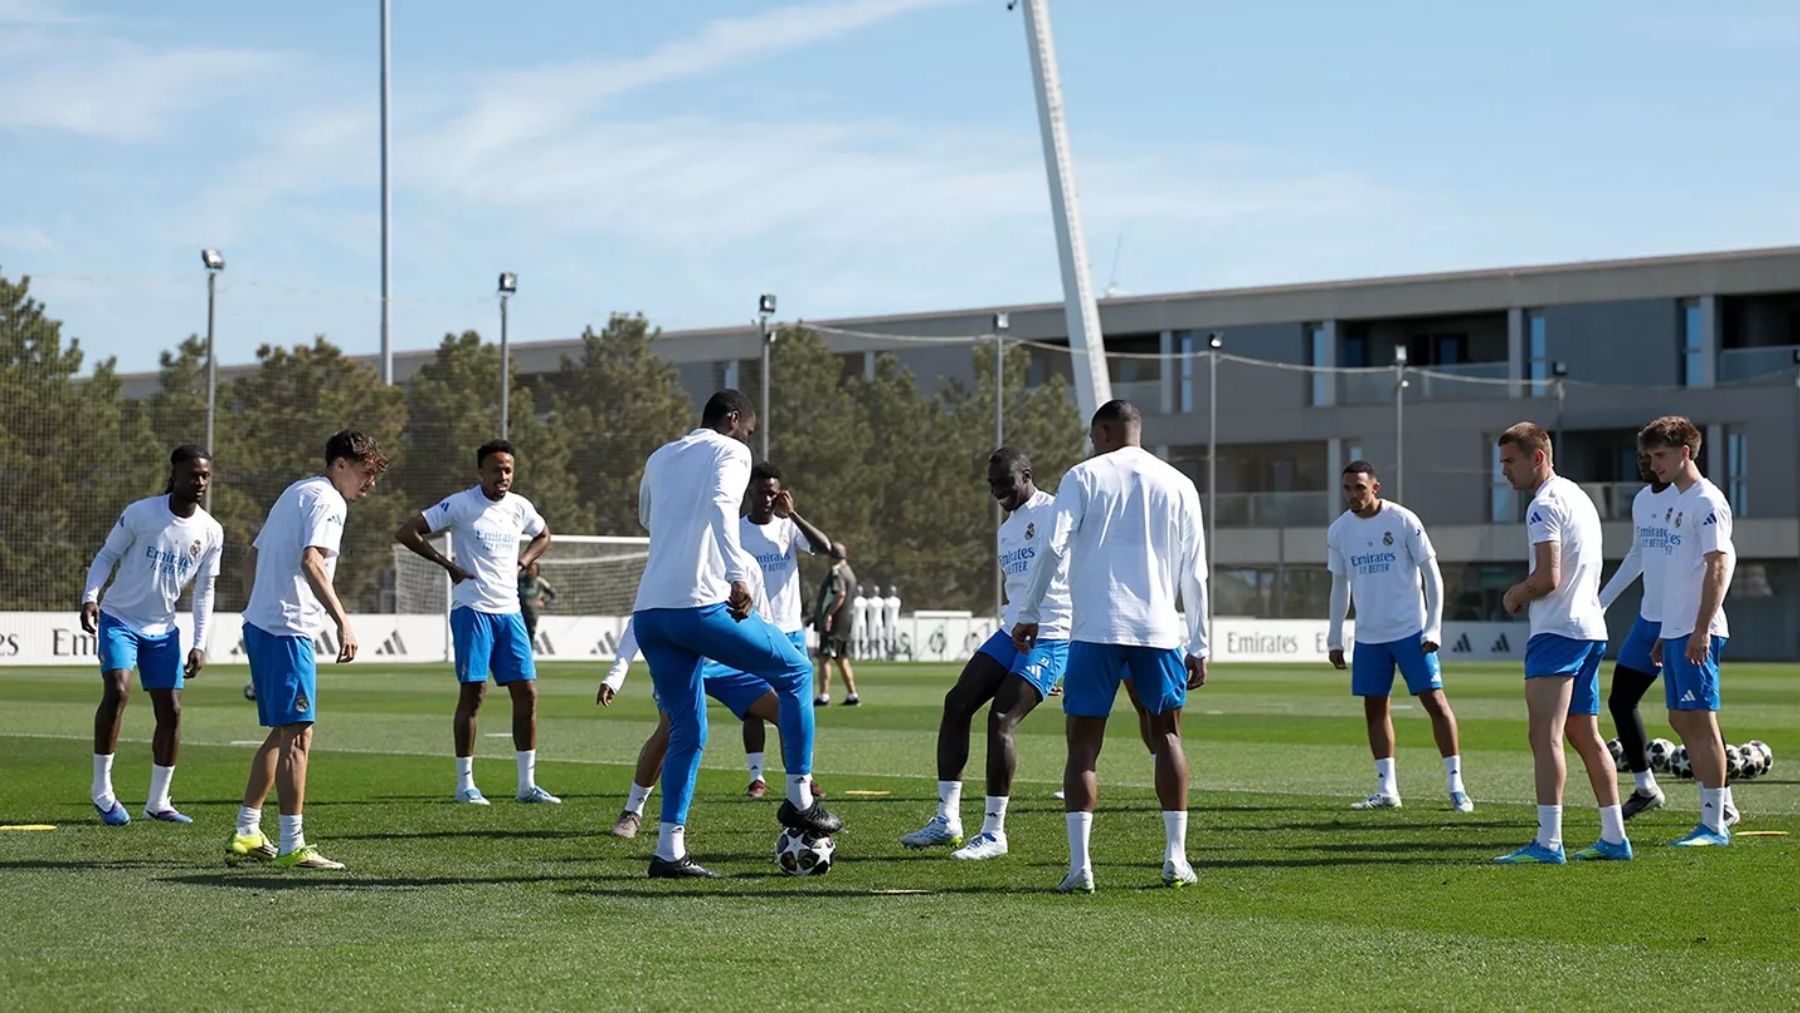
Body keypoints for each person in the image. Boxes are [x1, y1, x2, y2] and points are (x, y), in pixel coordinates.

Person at [629, 390, 840, 879]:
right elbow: (725, 507)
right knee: (797, 670)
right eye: (749, 426)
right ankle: (800, 798)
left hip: (650, 612)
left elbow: (646, 517)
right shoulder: (730, 450)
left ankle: (668, 851)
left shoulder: (661, 455)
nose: (751, 435)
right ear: (733, 419)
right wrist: (735, 575)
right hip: (697, 605)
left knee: (688, 731)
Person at [1012, 400, 1209, 893]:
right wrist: (1200, 643)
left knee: (1083, 745)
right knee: (1166, 738)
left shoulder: (1082, 476)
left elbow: (1053, 548)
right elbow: (1196, 572)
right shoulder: (1179, 483)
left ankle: (1080, 868)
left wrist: (1030, 611)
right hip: (1159, 632)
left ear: (1102, 432)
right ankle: (1176, 859)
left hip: (1095, 630)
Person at [900, 447, 1071, 860]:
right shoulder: (1006, 531)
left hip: (1053, 635)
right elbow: (1017, 589)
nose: (997, 492)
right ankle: (947, 820)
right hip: (1010, 632)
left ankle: (994, 833)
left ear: (1027, 475)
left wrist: (1067, 658)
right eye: (991, 485)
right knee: (957, 702)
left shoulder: (1057, 512)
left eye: (1005, 483)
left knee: (1001, 718)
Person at [229, 430, 386, 871]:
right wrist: (343, 621)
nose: (369, 483)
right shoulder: (328, 501)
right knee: (299, 734)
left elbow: (249, 559)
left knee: (283, 732)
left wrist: (257, 609)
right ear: (340, 464)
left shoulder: (296, 491)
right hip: (287, 628)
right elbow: (312, 561)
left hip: (264, 624)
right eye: (365, 472)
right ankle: (292, 843)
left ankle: (245, 830)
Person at [1493, 422, 1630, 864]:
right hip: (1590, 629)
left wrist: (1515, 593)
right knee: (1584, 734)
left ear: (1538, 458)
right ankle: (1614, 836)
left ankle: (1549, 841)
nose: (1505, 473)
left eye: (1510, 462)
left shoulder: (1543, 504)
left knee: (1543, 735)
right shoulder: (1578, 495)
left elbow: (1547, 578)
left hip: (1558, 631)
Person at [396, 438, 559, 806]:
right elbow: (407, 531)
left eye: (508, 469)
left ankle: (526, 785)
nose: (503, 476)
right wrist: (449, 566)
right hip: (472, 611)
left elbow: (544, 534)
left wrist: (522, 561)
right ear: (480, 472)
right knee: (474, 693)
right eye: (496, 469)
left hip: (510, 612)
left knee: (527, 693)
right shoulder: (461, 504)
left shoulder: (520, 507)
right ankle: (465, 784)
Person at [80, 445, 224, 826]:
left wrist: (199, 642)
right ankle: (102, 791)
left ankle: (158, 802)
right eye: (193, 474)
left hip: (163, 631)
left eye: (206, 476)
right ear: (174, 474)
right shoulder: (142, 512)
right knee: (119, 690)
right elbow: (106, 556)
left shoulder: (211, 531)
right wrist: (90, 597)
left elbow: (206, 590)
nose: (200, 482)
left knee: (172, 712)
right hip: (120, 618)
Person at [1325, 460, 1472, 812]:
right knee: (1374, 708)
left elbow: (1433, 576)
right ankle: (1387, 790)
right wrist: (1334, 637)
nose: (1353, 495)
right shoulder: (1339, 531)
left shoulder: (1403, 520)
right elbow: (1338, 586)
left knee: (1435, 703)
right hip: (1369, 637)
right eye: (1347, 488)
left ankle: (1456, 786)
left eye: (1359, 488)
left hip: (1411, 632)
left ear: (1375, 487)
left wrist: (1433, 627)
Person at [599, 612, 824, 839]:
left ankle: (801, 804)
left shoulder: (742, 575)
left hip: (730, 665)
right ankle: (633, 809)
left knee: (785, 714)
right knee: (670, 730)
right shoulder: (671, 579)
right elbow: (640, 618)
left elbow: (758, 608)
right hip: (681, 661)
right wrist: (615, 676)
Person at [1641, 416, 1739, 847]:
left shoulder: (1707, 501)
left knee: (1699, 722)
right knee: (1680, 718)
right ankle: (1721, 807)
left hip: (1699, 631)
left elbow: (1719, 565)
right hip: (1678, 630)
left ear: (1685, 452)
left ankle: (1715, 824)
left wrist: (1700, 629)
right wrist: (1669, 630)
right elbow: (1682, 573)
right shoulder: (1679, 502)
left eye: (1660, 456)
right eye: (1649, 457)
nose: (1653, 465)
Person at [733, 462, 833, 796]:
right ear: (750, 492)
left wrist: (795, 515)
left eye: (772, 493)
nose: (767, 499)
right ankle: (756, 776)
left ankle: (802, 775)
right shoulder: (736, 531)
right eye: (761, 492)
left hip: (791, 631)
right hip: (753, 628)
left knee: (797, 707)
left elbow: (825, 548)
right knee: (754, 707)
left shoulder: (787, 528)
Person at [1596, 451, 1679, 819]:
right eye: (1642, 454)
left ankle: (1723, 805)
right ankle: (1646, 788)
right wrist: (1600, 603)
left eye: (1656, 454)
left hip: (1682, 625)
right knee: (1620, 701)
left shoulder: (1694, 498)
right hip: (1648, 622)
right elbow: (1637, 555)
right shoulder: (1643, 500)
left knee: (1694, 716)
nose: (1647, 462)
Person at [813, 546, 860, 705]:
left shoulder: (837, 572)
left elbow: (840, 594)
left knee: (824, 658)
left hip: (834, 623)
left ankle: (824, 695)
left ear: (833, 557)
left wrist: (828, 615)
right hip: (845, 622)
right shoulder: (850, 572)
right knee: (841, 658)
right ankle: (852, 694)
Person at [517, 560, 558, 645]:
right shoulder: (520, 580)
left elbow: (553, 595)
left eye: (533, 570)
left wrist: (544, 602)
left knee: (530, 634)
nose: (530, 572)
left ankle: (529, 654)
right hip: (519, 612)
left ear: (537, 571)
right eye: (529, 569)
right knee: (518, 634)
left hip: (532, 614)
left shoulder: (540, 582)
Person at [851, 584, 873, 661]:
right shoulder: (853, 601)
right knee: (854, 638)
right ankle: (854, 654)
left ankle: (861, 654)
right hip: (855, 621)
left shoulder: (865, 601)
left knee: (862, 639)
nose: (859, 592)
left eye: (860, 591)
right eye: (858, 591)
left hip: (862, 621)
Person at [882, 585, 903, 658]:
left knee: (894, 637)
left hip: (895, 621)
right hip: (888, 622)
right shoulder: (886, 601)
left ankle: (893, 652)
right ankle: (887, 652)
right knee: (887, 637)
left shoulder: (897, 601)